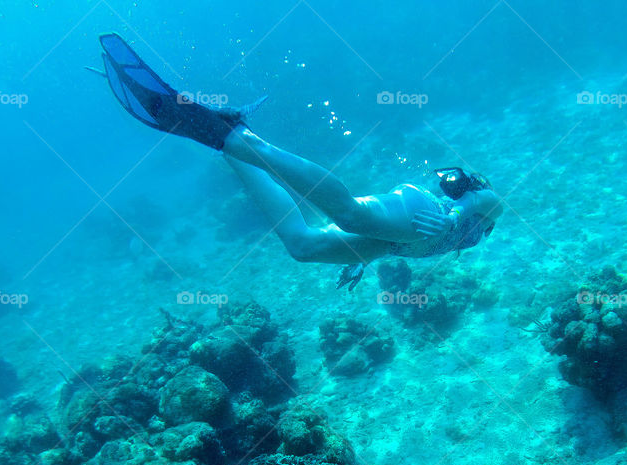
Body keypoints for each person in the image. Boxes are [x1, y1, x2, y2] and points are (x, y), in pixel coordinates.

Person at [97, 33, 503, 288]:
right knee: (348, 214)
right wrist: (453, 216)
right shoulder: (476, 210)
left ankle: (224, 141)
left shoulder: (464, 232)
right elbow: (491, 201)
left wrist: (364, 256)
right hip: (422, 216)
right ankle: (237, 138)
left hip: (397, 240)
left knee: (302, 246)